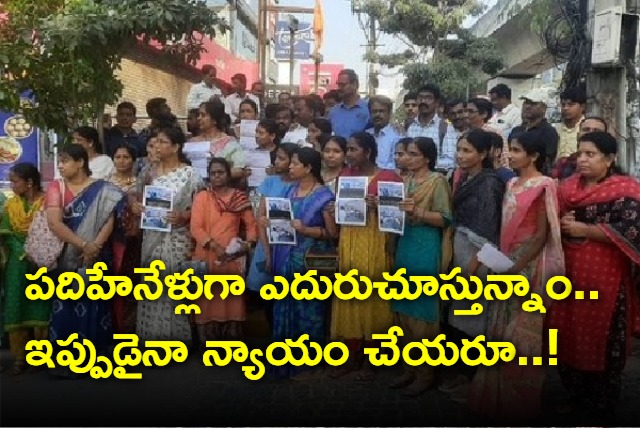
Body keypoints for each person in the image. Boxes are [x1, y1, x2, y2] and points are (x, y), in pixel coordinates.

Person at [468, 130, 564, 420]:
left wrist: (517, 267)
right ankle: (493, 396)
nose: (510, 154)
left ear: (534, 156)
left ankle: (519, 399)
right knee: (497, 327)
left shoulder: (545, 185)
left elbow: (539, 235)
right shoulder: (510, 182)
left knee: (521, 331)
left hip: (526, 268)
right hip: (505, 262)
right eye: (510, 149)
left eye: (517, 150)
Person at [547, 131, 640, 418]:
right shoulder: (566, 188)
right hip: (569, 275)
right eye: (580, 153)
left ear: (610, 159)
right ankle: (575, 396)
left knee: (601, 338)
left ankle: (600, 408)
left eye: (591, 154)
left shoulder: (625, 191)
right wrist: (561, 221)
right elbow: (551, 220)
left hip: (606, 280)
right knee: (565, 333)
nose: (582, 159)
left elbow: (632, 232)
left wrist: (587, 231)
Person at [45, 144, 125, 377]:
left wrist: (96, 246)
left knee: (96, 305)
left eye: (65, 160)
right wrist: (84, 245)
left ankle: (96, 359)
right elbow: (54, 223)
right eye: (59, 161)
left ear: (80, 162)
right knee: (66, 306)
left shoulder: (103, 189)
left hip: (97, 257)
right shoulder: (56, 187)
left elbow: (110, 219)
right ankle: (65, 362)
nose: (60, 165)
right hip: (68, 257)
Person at [329, 132, 402, 381]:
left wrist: (379, 205)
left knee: (374, 298)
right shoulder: (344, 176)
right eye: (347, 149)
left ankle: (373, 359)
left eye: (352, 149)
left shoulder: (389, 178)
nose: (348, 154)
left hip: (376, 240)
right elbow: (340, 212)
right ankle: (351, 356)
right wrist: (335, 207)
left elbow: (398, 216)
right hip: (350, 239)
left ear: (368, 152)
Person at [441, 129, 505, 402]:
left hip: (478, 256)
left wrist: (475, 266)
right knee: (460, 318)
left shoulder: (489, 183)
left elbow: (489, 230)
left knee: (475, 320)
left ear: (483, 154)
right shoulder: (467, 178)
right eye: (459, 149)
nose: (461, 155)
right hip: (462, 250)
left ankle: (474, 380)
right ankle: (464, 374)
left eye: (468, 151)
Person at [390, 137, 453, 396]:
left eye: (414, 154)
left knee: (423, 313)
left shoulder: (437, 182)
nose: (408, 158)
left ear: (427, 158)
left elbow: (445, 218)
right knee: (403, 310)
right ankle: (409, 368)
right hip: (404, 245)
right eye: (407, 154)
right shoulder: (404, 181)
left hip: (425, 247)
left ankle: (426, 373)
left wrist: (417, 213)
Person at [270, 147, 337, 380]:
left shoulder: (324, 197)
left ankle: (311, 365)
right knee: (286, 309)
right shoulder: (289, 190)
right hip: (286, 260)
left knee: (310, 313)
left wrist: (306, 229)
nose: (290, 166)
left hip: (309, 264)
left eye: (295, 163)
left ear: (308, 168)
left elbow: (332, 234)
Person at [134, 127, 203, 344]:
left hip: (177, 237)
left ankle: (177, 339)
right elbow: (134, 195)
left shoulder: (190, 174)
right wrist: (135, 206)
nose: (157, 147)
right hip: (152, 236)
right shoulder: (147, 172)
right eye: (155, 143)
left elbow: (202, 208)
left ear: (176, 147)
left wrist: (184, 215)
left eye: (163, 142)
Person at [191, 158, 257, 342]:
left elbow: (251, 226)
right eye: (213, 173)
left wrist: (248, 244)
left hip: (231, 256)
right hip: (207, 255)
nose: (217, 176)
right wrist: (214, 246)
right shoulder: (202, 197)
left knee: (231, 302)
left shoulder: (239, 197)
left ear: (228, 174)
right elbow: (196, 228)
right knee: (207, 302)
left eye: (221, 172)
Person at [0, 164, 47, 375]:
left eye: (15, 181)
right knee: (16, 305)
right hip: (16, 265)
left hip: (42, 260)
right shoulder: (10, 205)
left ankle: (40, 357)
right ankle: (20, 358)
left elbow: (51, 231)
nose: (12, 185)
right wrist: (23, 252)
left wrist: (35, 252)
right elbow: (7, 235)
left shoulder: (47, 203)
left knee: (40, 306)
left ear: (29, 182)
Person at [246, 143, 298, 328]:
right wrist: (268, 254)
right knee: (268, 295)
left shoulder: (302, 185)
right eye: (276, 157)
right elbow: (261, 217)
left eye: (282, 158)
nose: (277, 162)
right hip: (268, 243)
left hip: (293, 247)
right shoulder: (270, 182)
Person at [107, 143, 138, 334]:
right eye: (118, 157)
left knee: (132, 284)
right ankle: (112, 327)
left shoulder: (140, 183)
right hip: (111, 239)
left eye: (126, 157)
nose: (121, 161)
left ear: (133, 160)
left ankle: (129, 329)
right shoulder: (104, 184)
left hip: (135, 240)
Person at [191, 100, 247, 180]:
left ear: (214, 120)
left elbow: (239, 170)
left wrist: (216, 175)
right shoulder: (193, 142)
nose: (198, 118)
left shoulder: (230, 142)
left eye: (203, 115)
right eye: (198, 115)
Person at [328, 69, 370, 139]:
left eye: (343, 85)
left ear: (355, 84)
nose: (339, 88)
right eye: (338, 84)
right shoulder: (333, 111)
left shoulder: (367, 109)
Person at [367, 95, 401, 170]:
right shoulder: (366, 134)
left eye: (381, 111)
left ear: (389, 113)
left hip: (387, 178)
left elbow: (397, 164)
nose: (377, 114)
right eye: (374, 111)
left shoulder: (396, 136)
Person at [555, 87, 587, 159]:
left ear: (582, 107)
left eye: (570, 105)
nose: (565, 108)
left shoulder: (587, 128)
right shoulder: (556, 129)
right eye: (563, 105)